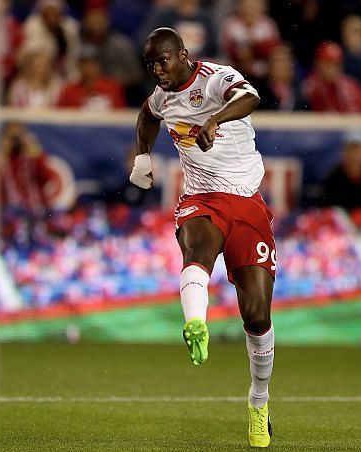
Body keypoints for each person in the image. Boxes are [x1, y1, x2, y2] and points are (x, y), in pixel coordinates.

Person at [130, 27, 275, 447]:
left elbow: (251, 98)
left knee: (257, 316)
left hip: (247, 203)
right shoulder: (162, 97)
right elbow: (146, 116)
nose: (157, 70)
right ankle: (195, 322)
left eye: (163, 60)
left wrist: (214, 119)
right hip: (201, 198)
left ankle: (258, 401)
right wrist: (142, 157)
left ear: (183, 55)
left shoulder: (216, 78)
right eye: (151, 63)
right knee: (196, 249)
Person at [320, 128, 361, 210]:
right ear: (344, 151)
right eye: (351, 150)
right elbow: (326, 212)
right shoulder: (332, 179)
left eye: (358, 150)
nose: (355, 155)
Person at [301, 41, 361, 113]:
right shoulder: (310, 87)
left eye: (336, 64)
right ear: (319, 64)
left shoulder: (351, 84)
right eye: (328, 64)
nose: (332, 69)